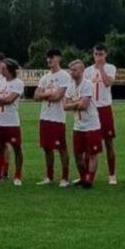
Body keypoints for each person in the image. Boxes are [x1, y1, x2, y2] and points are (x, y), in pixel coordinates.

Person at [34, 49, 71, 187]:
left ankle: (65, 177)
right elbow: (36, 96)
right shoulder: (45, 77)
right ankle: (49, 176)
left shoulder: (64, 76)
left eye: (52, 57)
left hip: (58, 118)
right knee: (46, 148)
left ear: (59, 59)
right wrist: (47, 94)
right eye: (48, 57)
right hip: (45, 116)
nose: (49, 60)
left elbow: (57, 97)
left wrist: (45, 94)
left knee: (61, 148)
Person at [63, 60, 102, 189]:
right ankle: (83, 177)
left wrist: (74, 104)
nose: (72, 72)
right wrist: (76, 103)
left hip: (91, 124)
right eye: (71, 70)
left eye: (75, 70)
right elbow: (64, 106)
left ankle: (89, 180)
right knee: (78, 154)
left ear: (82, 71)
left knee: (92, 154)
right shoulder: (70, 86)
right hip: (78, 125)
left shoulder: (87, 84)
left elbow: (84, 105)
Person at [84, 44, 118, 185]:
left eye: (101, 54)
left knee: (108, 142)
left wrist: (101, 68)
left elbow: (108, 83)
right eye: (96, 54)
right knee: (88, 143)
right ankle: (87, 174)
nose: (98, 57)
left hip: (104, 108)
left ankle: (112, 174)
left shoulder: (110, 68)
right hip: (91, 109)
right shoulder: (87, 71)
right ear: (93, 54)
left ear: (105, 55)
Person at [0, 58, 24, 186]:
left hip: (12, 122)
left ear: (11, 70)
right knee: (0, 148)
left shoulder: (18, 83)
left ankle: (18, 176)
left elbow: (10, 100)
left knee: (17, 149)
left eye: (4, 69)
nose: (1, 71)